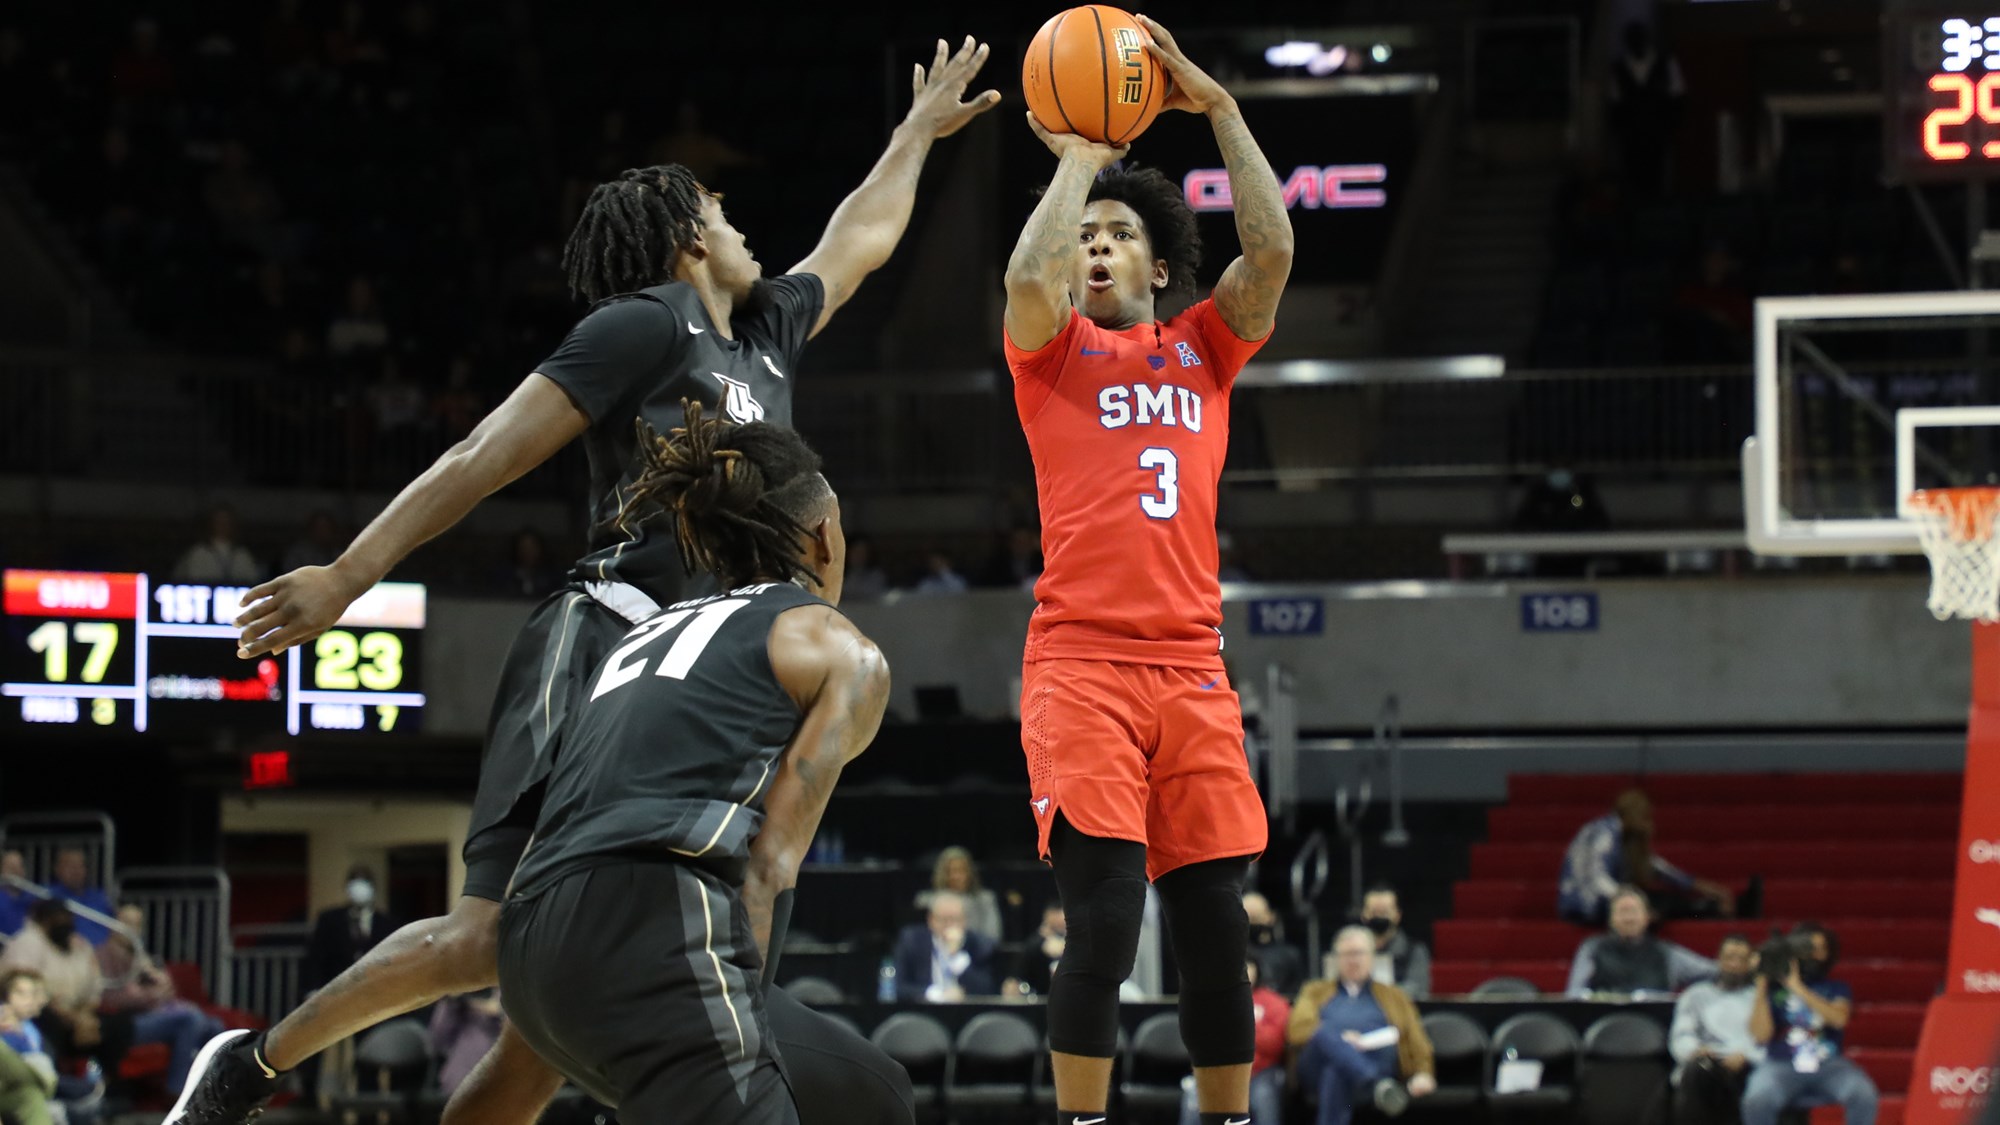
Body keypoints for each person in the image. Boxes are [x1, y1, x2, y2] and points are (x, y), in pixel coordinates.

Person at [178, 34, 998, 1125]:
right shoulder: (644, 325)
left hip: (697, 671)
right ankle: (251, 1063)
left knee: (545, 1027)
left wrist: (912, 134)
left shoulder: (764, 334)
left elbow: (856, 240)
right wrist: (348, 575)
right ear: (687, 236)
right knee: (487, 936)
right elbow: (483, 454)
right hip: (607, 632)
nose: (744, 226)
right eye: (724, 209)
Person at [1000, 16, 1294, 1125]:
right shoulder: (1050, 353)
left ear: (1159, 266)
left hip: (1191, 671)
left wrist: (1220, 110)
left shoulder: (1206, 347)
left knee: (1217, 930)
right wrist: (1081, 160)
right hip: (1081, 666)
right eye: (1085, 237)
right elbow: (1025, 274)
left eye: (1118, 235)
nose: (1095, 247)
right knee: (1107, 922)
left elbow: (1270, 253)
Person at [494, 404, 889, 1121]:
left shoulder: (641, 635)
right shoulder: (836, 647)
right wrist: (737, 1041)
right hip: (653, 921)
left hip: (526, 942)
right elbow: (770, 867)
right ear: (824, 537)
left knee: (870, 1091)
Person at [1288, 927, 1437, 1125]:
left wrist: (1423, 1072)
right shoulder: (1314, 991)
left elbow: (1415, 1036)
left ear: (1372, 957)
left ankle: (1368, 1078)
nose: (1353, 960)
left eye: (1359, 953)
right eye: (1347, 954)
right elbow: (1297, 1030)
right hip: (1317, 1066)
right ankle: (1376, 1083)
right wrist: (1342, 1041)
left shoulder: (1394, 996)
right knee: (1324, 1033)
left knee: (1336, 1070)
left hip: (1375, 1061)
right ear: (1336, 959)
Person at [1742, 924, 1878, 1125]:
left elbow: (1839, 1019)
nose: (1814, 954)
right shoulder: (1772, 990)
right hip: (1781, 1064)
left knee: (1863, 1093)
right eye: (1808, 948)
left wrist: (1797, 987)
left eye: (1820, 948)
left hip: (1828, 1065)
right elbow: (1761, 1035)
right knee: (1757, 1098)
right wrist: (1762, 985)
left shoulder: (1836, 988)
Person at [1560, 788, 1739, 925]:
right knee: (1657, 906)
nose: (1649, 824)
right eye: (1646, 817)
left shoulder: (1620, 835)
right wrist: (1631, 900)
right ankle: (1709, 908)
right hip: (1586, 907)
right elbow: (1598, 879)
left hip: (1598, 902)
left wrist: (1700, 886)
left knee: (1664, 900)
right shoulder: (1605, 833)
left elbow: (1658, 868)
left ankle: (1709, 907)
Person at [1179, 958, 1287, 1125]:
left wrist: (1237, 1028)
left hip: (1260, 1073)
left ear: (1257, 970)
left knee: (1264, 1097)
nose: (1243, 971)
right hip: (1219, 1071)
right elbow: (1205, 1038)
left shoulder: (1273, 1002)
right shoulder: (1215, 1000)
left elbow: (1274, 1043)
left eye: (1247, 966)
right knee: (1193, 1095)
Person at [1669, 935, 1763, 1125]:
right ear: (1718, 959)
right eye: (1729, 958)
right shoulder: (1695, 995)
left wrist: (1746, 1055)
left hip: (1745, 1061)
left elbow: (1767, 1039)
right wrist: (1695, 1050)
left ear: (1750, 964)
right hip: (1705, 1062)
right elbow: (1681, 1034)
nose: (1734, 964)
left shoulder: (1759, 998)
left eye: (1741, 959)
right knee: (1698, 1071)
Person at [1566, 885, 1715, 997]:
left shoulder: (1666, 953)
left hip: (1655, 1022)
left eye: (1634, 911)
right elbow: (1574, 994)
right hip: (1605, 1022)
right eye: (1622, 912)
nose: (1629, 919)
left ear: (1647, 917)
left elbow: (1713, 972)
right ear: (1611, 919)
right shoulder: (1592, 949)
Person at [302, 865, 396, 994]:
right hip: (336, 989)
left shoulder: (386, 923)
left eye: (365, 881)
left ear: (373, 888)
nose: (359, 888)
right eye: (355, 882)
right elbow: (316, 957)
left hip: (374, 989)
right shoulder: (329, 919)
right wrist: (312, 989)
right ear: (347, 887)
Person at [892, 890, 999, 1003]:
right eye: (943, 920)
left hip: (966, 1008)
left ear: (964, 921)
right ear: (931, 920)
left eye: (955, 919)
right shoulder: (912, 941)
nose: (949, 925)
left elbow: (988, 989)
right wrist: (937, 994)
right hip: (925, 1008)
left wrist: (956, 957)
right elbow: (898, 987)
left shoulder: (979, 944)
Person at [913, 846, 1002, 943]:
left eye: (961, 871)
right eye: (951, 871)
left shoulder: (985, 900)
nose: (956, 877)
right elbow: (918, 939)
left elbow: (993, 937)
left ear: (970, 873)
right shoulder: (925, 901)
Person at [1359, 884, 1431, 1000]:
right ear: (1363, 915)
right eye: (1374, 912)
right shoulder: (1350, 952)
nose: (1379, 917)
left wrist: (1375, 995)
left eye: (1384, 912)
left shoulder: (1414, 951)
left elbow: (1417, 989)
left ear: (1398, 915)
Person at [428, 988, 503, 1097]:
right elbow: (436, 1042)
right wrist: (451, 1003)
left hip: (498, 1087)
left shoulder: (515, 990)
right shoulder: (461, 1007)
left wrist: (499, 1011)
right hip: (457, 1084)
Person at [173, 505, 262, 585]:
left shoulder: (242, 555)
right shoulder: (198, 553)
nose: (223, 525)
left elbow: (253, 581)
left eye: (226, 521)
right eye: (219, 521)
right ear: (211, 523)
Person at [1243, 892, 1305, 1000]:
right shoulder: (1233, 955)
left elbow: (1296, 993)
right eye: (1248, 919)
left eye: (1257, 918)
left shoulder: (1289, 955)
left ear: (1271, 917)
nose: (1253, 924)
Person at [47, 850, 115, 947]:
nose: (76, 871)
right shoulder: (46, 896)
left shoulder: (99, 897)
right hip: (67, 951)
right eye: (70, 866)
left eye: (80, 866)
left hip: (105, 951)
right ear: (57, 869)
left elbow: (114, 925)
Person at [1004, 902, 1066, 997]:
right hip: (1041, 995)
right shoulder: (1034, 945)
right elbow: (1015, 978)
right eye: (1053, 927)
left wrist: (1064, 948)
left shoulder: (1079, 944)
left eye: (1060, 927)